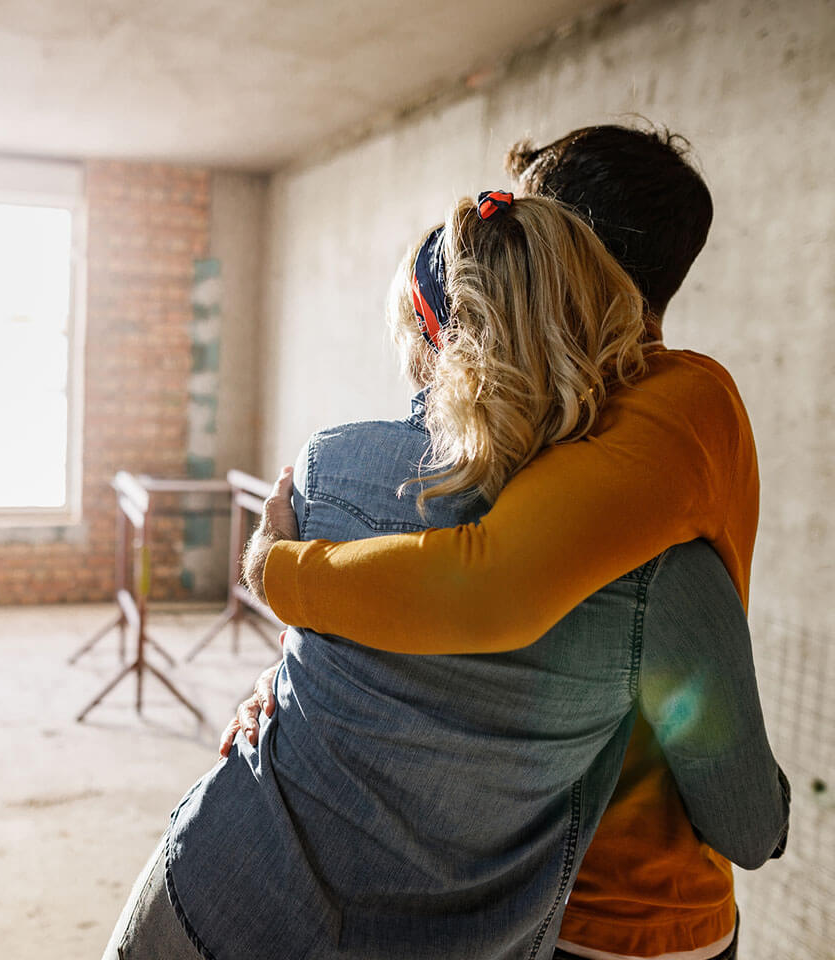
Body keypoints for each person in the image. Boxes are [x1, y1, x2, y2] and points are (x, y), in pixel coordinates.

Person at [104, 187, 788, 960]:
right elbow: (747, 825)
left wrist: (278, 596)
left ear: (431, 338)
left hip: (218, 889)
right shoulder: (660, 564)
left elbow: (448, 593)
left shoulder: (327, 470)